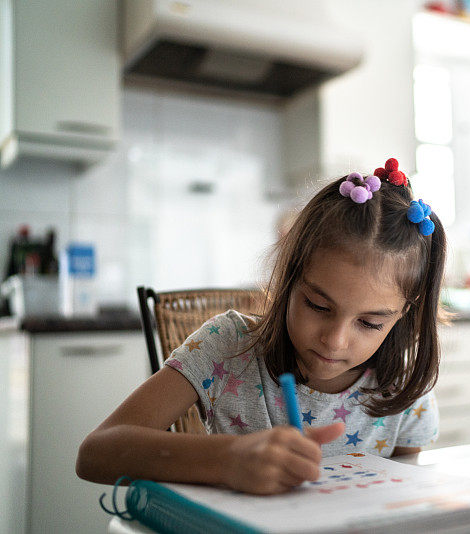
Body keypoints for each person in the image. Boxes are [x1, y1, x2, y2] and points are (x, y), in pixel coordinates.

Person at [76, 158, 447, 496]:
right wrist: (228, 458)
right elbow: (96, 452)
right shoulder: (227, 347)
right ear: (289, 281)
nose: (335, 340)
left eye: (369, 323)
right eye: (317, 305)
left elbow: (403, 500)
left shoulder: (404, 383)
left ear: (403, 316)